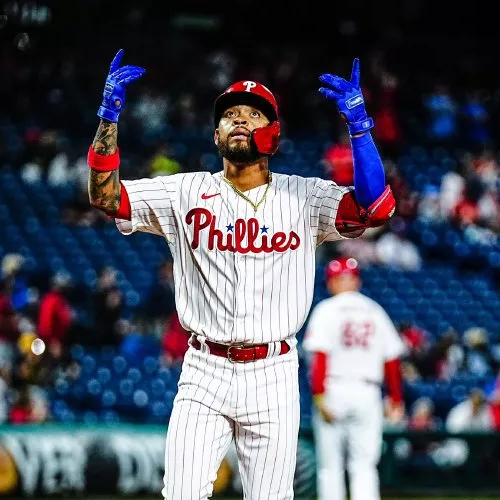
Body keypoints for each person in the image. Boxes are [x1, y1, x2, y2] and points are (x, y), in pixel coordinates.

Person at [86, 49, 395, 499]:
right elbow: (106, 197)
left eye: (253, 115)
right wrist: (109, 116)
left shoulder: (304, 196)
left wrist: (360, 128)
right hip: (203, 369)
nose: (240, 121)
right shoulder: (185, 191)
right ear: (216, 135)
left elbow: (376, 206)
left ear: (273, 134)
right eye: (230, 115)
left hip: (273, 371)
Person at [302, 256, 404, 500]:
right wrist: (396, 399)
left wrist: (319, 396)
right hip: (367, 392)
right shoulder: (375, 310)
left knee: (329, 466)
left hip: (334, 389)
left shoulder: (326, 310)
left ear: (331, 282)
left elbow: (320, 358)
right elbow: (391, 360)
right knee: (365, 465)